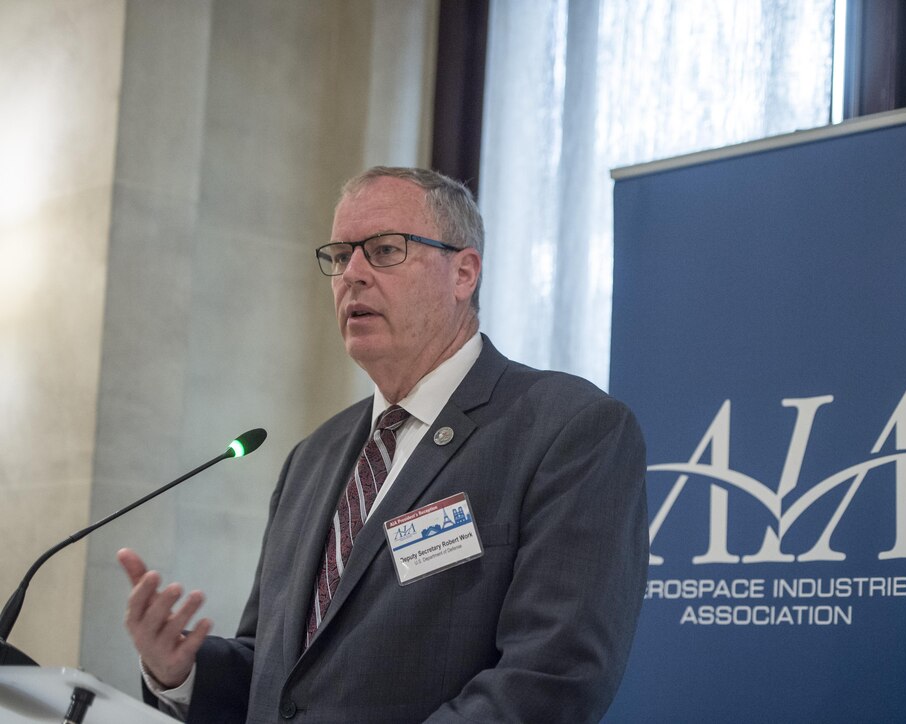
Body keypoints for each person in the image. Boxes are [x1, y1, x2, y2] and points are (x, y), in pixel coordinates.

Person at [118, 166, 648, 723]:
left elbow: (550, 679)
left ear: (464, 272)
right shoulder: (313, 457)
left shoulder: (568, 430)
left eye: (384, 250)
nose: (353, 274)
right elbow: (281, 680)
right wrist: (182, 670)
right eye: (340, 256)